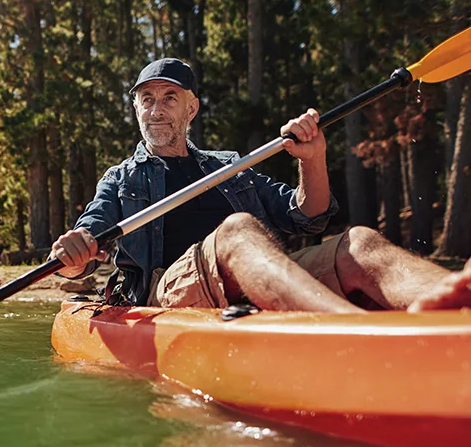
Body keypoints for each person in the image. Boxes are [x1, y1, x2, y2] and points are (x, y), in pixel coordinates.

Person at [51, 57, 471, 313]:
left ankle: (450, 303)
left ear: (191, 108)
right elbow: (86, 248)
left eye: (169, 98)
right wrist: (74, 253)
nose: (155, 110)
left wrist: (313, 158)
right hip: (170, 293)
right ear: (136, 109)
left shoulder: (230, 168)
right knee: (237, 230)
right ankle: (353, 332)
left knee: (358, 242)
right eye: (146, 100)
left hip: (248, 283)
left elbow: (308, 217)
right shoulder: (121, 178)